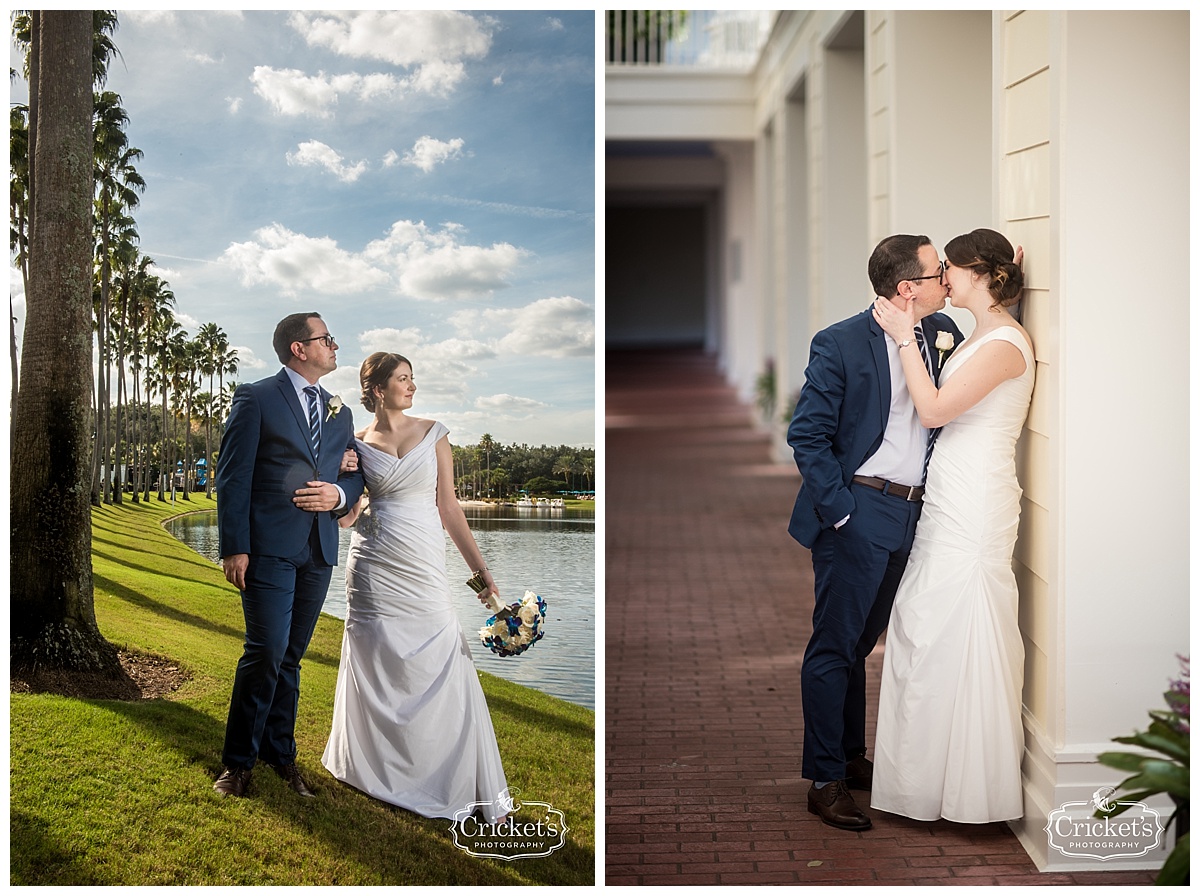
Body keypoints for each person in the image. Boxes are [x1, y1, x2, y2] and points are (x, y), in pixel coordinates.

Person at [787, 234, 965, 831]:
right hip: (858, 511)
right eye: (939, 270)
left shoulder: (944, 338)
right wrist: (840, 511)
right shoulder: (839, 343)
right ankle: (824, 778)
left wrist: (996, 281)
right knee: (834, 646)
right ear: (907, 288)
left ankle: (852, 757)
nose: (947, 277)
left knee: (862, 645)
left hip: (916, 514)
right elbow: (806, 436)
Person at [868, 229, 1032, 823]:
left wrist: (905, 337)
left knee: (960, 625)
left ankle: (972, 789)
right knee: (925, 625)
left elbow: (935, 408)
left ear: (977, 274)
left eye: (952, 271)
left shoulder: (1005, 344)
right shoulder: (984, 333)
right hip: (950, 493)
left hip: (976, 499)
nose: (944, 280)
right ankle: (924, 781)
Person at [321, 351, 510, 823]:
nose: (412, 386)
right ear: (379, 388)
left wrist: (481, 578)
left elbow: (449, 509)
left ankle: (443, 775)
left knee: (439, 651)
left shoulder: (434, 432)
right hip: (373, 565)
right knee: (377, 659)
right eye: (403, 379)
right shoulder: (354, 441)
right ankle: (376, 769)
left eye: (413, 378)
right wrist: (341, 481)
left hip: (423, 562)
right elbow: (345, 516)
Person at [213, 312, 365, 798]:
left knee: (293, 656)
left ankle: (282, 755)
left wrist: (339, 496)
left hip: (319, 549)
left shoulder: (340, 412)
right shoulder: (256, 398)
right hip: (267, 549)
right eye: (326, 338)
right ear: (299, 348)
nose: (335, 345)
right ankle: (237, 764)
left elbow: (356, 473)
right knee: (266, 651)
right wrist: (235, 546)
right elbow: (232, 476)